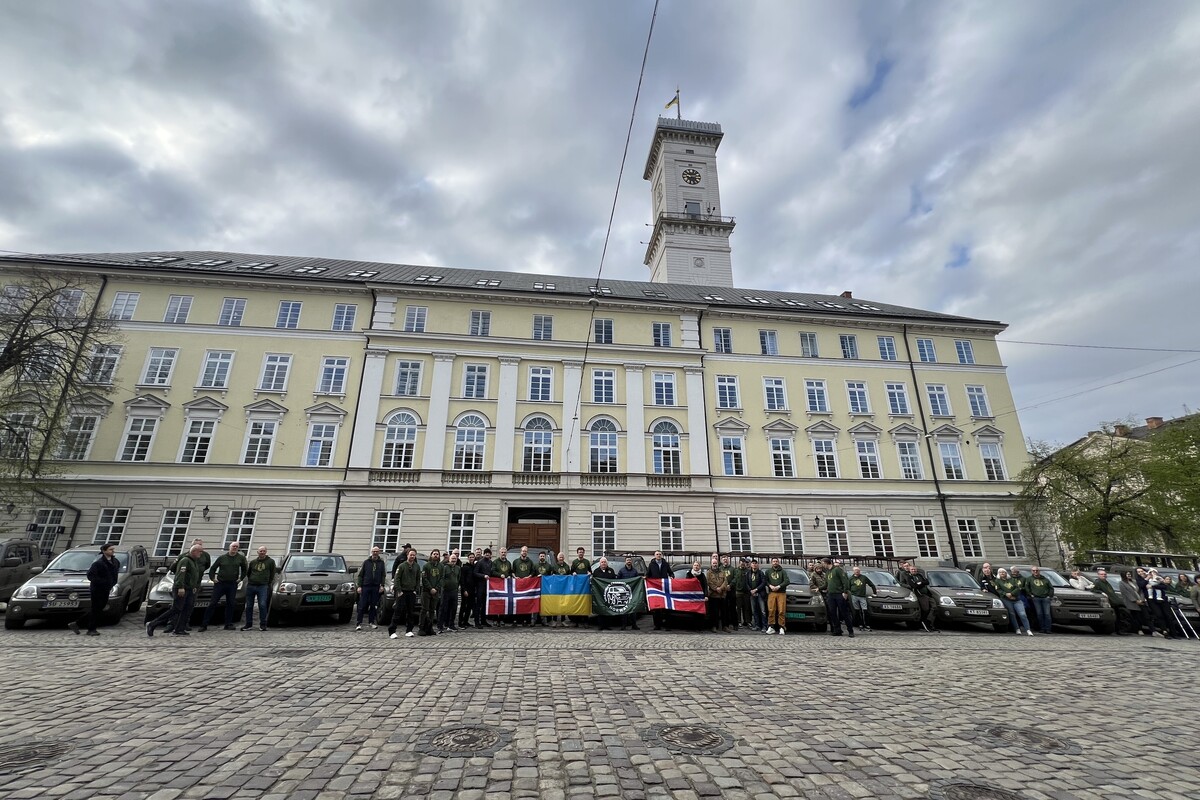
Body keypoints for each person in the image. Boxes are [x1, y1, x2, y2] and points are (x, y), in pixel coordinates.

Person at [147, 544, 202, 637]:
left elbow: (193, 575)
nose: (201, 553)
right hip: (181, 588)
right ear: (194, 551)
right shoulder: (185, 560)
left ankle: (179, 629)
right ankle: (152, 624)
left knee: (187, 609)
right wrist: (180, 587)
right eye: (200, 551)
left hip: (190, 588)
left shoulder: (194, 561)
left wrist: (194, 586)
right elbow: (181, 574)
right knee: (176, 608)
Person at [69, 543, 120, 636]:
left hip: (107, 588)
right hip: (97, 589)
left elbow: (115, 573)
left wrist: (112, 583)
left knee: (98, 609)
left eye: (113, 549)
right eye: (110, 549)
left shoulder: (115, 561)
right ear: (104, 551)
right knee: (96, 609)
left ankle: (77, 624)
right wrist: (103, 582)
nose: (113, 551)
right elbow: (91, 576)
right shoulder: (98, 563)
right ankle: (91, 629)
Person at [200, 542, 248, 632]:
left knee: (230, 604)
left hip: (232, 584)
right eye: (233, 546)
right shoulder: (222, 558)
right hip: (220, 584)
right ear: (230, 547)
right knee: (212, 603)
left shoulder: (240, 558)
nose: (235, 548)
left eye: (237, 547)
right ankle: (204, 624)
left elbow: (245, 569)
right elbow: (213, 568)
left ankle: (228, 624)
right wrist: (213, 578)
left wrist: (240, 578)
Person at [389, 548, 421, 638]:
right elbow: (397, 578)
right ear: (407, 555)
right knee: (398, 611)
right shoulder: (402, 566)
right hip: (402, 592)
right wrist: (398, 590)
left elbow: (418, 578)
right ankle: (392, 631)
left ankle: (409, 630)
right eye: (411, 555)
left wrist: (416, 589)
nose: (412, 556)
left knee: (411, 612)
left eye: (414, 555)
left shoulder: (417, 566)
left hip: (411, 592)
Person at [243, 546, 276, 631]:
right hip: (251, 585)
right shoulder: (253, 562)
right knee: (249, 606)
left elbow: (272, 573)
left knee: (262, 605)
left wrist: (268, 582)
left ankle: (263, 624)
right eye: (260, 551)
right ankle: (248, 624)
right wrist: (252, 580)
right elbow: (249, 572)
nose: (262, 552)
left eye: (264, 551)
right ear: (257, 552)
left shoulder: (271, 562)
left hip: (263, 586)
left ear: (266, 552)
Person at [355, 546, 387, 631]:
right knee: (362, 605)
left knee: (373, 605)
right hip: (366, 586)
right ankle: (359, 623)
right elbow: (360, 575)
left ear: (379, 552)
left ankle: (371, 622)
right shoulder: (366, 562)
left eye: (377, 551)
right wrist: (359, 586)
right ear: (371, 552)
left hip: (375, 586)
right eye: (374, 551)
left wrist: (382, 585)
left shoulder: (381, 563)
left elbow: (383, 575)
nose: (375, 553)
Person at [897, 562, 935, 632]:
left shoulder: (919, 575)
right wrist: (917, 584)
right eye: (905, 566)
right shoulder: (905, 575)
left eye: (908, 566)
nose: (907, 567)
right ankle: (924, 622)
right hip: (917, 594)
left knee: (933, 607)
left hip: (926, 593)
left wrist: (920, 583)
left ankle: (929, 622)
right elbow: (911, 585)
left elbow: (926, 582)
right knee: (925, 609)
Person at [993, 568, 1032, 635]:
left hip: (1016, 599)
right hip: (1006, 599)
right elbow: (998, 590)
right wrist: (1006, 594)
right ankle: (1017, 628)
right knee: (1012, 614)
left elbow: (1017, 588)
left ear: (1006, 573)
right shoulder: (997, 581)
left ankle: (1028, 629)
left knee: (1022, 614)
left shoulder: (1012, 580)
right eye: (1000, 572)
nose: (1002, 573)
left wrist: (1012, 594)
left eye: (1003, 572)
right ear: (998, 574)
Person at [1089, 568, 1128, 634]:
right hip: (1109, 602)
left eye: (1105, 574)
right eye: (1102, 574)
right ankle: (1118, 631)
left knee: (1118, 617)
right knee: (1115, 617)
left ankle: (1119, 630)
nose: (1104, 575)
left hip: (1114, 601)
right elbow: (1093, 590)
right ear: (1098, 575)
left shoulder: (1106, 582)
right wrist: (1101, 592)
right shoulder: (1097, 582)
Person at [824, 558, 855, 638]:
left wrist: (845, 592)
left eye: (823, 563)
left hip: (839, 594)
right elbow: (826, 584)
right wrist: (819, 588)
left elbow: (845, 581)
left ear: (827, 563)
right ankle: (837, 630)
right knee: (832, 613)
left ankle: (850, 630)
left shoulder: (837, 570)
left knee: (844, 613)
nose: (822, 565)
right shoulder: (827, 572)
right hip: (831, 594)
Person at [646, 550, 672, 631]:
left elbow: (671, 573)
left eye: (660, 554)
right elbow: (648, 574)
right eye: (657, 554)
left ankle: (667, 625)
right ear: (654, 555)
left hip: (664, 587)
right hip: (655, 588)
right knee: (656, 607)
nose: (658, 555)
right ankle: (657, 625)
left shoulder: (665, 564)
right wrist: (645, 578)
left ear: (662, 555)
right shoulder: (651, 564)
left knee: (666, 607)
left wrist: (671, 576)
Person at [511, 546, 537, 626]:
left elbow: (533, 572)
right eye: (523, 551)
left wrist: (528, 577)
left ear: (527, 552)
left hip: (527, 585)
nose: (524, 552)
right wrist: (515, 577)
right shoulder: (515, 561)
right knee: (516, 602)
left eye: (525, 551)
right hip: (517, 585)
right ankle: (515, 620)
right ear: (520, 552)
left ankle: (525, 620)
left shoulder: (530, 562)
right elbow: (512, 571)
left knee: (526, 602)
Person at [419, 549, 443, 636]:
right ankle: (421, 627)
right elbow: (424, 578)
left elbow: (442, 578)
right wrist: (430, 588)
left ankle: (430, 627)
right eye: (434, 554)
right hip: (426, 591)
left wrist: (436, 588)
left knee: (432, 610)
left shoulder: (441, 566)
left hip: (436, 591)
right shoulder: (426, 566)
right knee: (424, 609)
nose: (436, 555)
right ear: (431, 555)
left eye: (437, 554)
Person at [1025, 566, 1054, 634]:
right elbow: (1027, 587)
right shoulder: (1029, 579)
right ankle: (1042, 628)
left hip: (1045, 598)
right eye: (1034, 570)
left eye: (1036, 570)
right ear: (1031, 571)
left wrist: (1049, 596)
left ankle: (1048, 629)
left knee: (1047, 614)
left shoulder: (1045, 579)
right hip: (1036, 598)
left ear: (1039, 571)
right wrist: (1030, 594)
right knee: (1039, 614)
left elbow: (1051, 588)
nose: (1035, 572)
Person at [1120, 570, 1150, 635]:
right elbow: (1126, 593)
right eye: (1128, 574)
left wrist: (1142, 599)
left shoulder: (1134, 581)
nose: (1129, 575)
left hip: (1140, 599)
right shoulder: (1122, 583)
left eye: (1130, 574)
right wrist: (1135, 600)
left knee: (1145, 615)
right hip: (1132, 602)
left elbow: (1140, 590)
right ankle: (1139, 629)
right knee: (1136, 617)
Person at [764, 558, 789, 635]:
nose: (775, 563)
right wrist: (770, 585)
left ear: (778, 562)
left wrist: (779, 586)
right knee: (771, 610)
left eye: (776, 561)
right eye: (774, 561)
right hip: (772, 593)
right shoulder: (768, 571)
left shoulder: (783, 572)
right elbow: (765, 580)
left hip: (781, 593)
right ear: (772, 563)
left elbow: (787, 581)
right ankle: (771, 626)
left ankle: (781, 627)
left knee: (781, 610)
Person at [705, 555, 730, 632]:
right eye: (713, 563)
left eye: (716, 563)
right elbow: (709, 582)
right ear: (711, 564)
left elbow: (725, 581)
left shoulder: (722, 572)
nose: (715, 564)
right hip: (713, 595)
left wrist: (721, 588)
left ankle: (724, 626)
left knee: (724, 612)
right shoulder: (709, 572)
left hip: (722, 595)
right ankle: (714, 626)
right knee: (714, 612)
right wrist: (716, 588)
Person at [616, 555, 641, 631]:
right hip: (624, 593)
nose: (629, 561)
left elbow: (637, 580)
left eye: (630, 560)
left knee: (633, 609)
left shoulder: (635, 571)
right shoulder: (621, 570)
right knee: (624, 609)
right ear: (625, 561)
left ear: (631, 561)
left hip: (633, 592)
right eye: (627, 560)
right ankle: (624, 625)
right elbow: (618, 580)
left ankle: (634, 625)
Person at [569, 547, 591, 627]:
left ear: (584, 553)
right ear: (577, 553)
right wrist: (573, 573)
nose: (581, 553)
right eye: (579, 552)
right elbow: (571, 572)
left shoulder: (587, 562)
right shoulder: (574, 562)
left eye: (582, 552)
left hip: (585, 586)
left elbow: (590, 571)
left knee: (584, 602)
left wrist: (589, 573)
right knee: (576, 602)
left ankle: (585, 621)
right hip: (576, 586)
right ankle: (576, 621)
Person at [848, 566, 876, 631]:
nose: (857, 572)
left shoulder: (864, 577)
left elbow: (871, 584)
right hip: (854, 596)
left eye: (858, 570)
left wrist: (874, 592)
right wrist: (851, 592)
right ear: (853, 571)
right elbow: (848, 587)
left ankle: (867, 624)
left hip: (862, 596)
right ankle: (860, 624)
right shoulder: (851, 578)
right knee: (857, 611)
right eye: (855, 570)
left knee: (865, 610)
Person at [491, 547, 513, 626]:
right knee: (496, 602)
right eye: (502, 552)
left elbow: (510, 572)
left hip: (505, 586)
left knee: (504, 602)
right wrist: (500, 575)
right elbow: (492, 571)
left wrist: (510, 576)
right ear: (499, 553)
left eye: (504, 552)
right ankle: (495, 619)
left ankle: (502, 619)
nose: (503, 554)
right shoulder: (495, 562)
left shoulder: (508, 563)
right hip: (496, 585)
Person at [593, 557, 616, 630]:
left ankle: (608, 625)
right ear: (600, 563)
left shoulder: (611, 571)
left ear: (607, 563)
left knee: (608, 609)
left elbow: (614, 581)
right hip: (599, 593)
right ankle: (601, 625)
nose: (603, 563)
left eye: (605, 562)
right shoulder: (596, 571)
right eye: (602, 562)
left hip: (609, 593)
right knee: (601, 609)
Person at [440, 551, 461, 633]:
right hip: (446, 591)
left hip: (454, 591)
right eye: (452, 558)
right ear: (449, 559)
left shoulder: (458, 568)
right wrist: (444, 586)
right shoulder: (445, 567)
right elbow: (442, 578)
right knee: (443, 608)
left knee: (453, 609)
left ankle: (451, 625)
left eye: (455, 559)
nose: (453, 560)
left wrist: (456, 586)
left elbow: (458, 578)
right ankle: (440, 625)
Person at [472, 548, 493, 628]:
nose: (487, 554)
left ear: (490, 555)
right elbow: (475, 573)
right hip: (480, 586)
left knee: (485, 604)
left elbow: (491, 572)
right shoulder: (480, 562)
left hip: (487, 586)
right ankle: (477, 622)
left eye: (489, 553)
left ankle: (484, 621)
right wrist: (483, 576)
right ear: (484, 554)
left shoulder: (490, 562)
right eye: (486, 553)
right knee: (478, 605)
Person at [745, 559, 766, 632]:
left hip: (760, 593)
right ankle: (757, 625)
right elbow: (746, 583)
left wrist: (756, 589)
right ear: (751, 565)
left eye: (755, 563)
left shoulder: (761, 573)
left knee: (762, 610)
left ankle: (764, 626)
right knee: (754, 611)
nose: (754, 565)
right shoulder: (748, 573)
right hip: (752, 594)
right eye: (753, 563)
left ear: (757, 565)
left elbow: (763, 583)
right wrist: (750, 590)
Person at [809, 560, 829, 632]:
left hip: (826, 592)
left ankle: (827, 620)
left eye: (820, 568)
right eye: (817, 569)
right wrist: (818, 589)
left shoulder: (824, 574)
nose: (819, 570)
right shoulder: (813, 575)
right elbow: (811, 584)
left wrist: (827, 588)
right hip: (818, 592)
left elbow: (827, 582)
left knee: (827, 607)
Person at [459, 552, 476, 628]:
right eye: (470, 557)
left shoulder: (475, 567)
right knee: (463, 606)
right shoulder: (464, 567)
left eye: (473, 557)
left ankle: (466, 621)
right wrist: (464, 589)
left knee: (469, 606)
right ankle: (460, 621)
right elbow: (462, 580)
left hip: (472, 589)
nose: (471, 558)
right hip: (466, 589)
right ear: (468, 558)